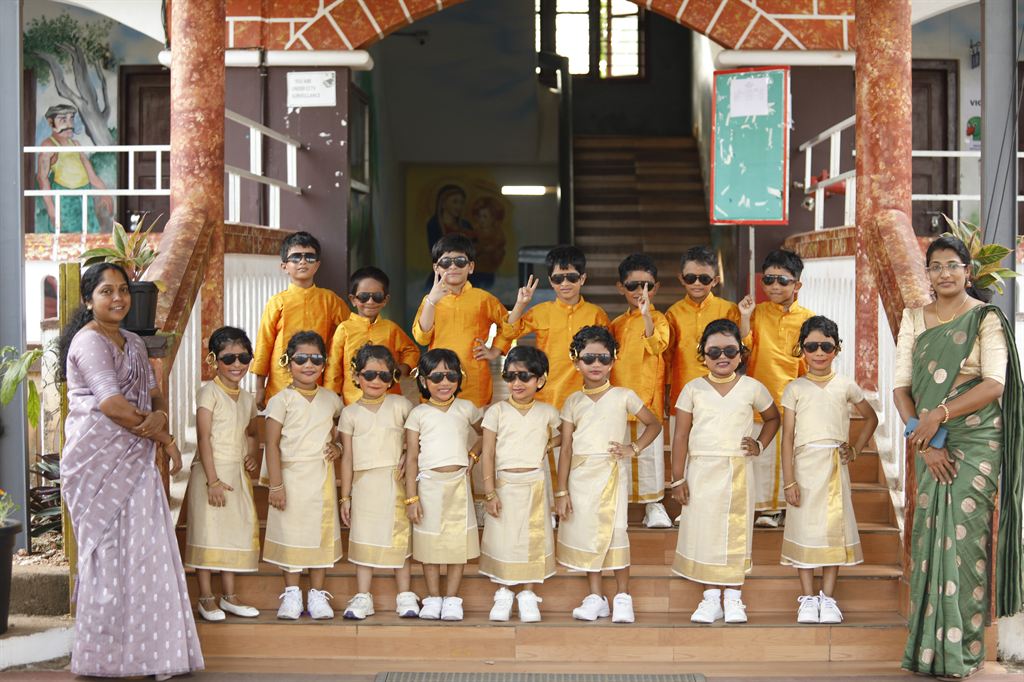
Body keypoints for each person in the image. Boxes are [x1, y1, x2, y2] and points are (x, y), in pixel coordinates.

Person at [59, 263, 202, 679]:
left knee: (146, 553)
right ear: (89, 300)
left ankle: (153, 656)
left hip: (135, 458)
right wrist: (162, 435)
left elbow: (153, 394)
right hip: (96, 463)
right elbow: (111, 404)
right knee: (107, 558)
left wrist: (161, 422)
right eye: (107, 291)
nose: (118, 298)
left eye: (123, 290)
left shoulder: (134, 343)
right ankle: (103, 660)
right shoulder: (89, 342)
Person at [895, 235, 1023, 679]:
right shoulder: (913, 318)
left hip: (976, 439)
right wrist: (927, 440)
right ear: (928, 274)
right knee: (929, 539)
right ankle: (926, 651)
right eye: (936, 266)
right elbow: (901, 388)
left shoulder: (985, 318)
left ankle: (962, 653)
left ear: (968, 271)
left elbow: (994, 383)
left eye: (953, 265)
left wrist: (940, 415)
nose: (945, 273)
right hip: (928, 441)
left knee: (966, 541)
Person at [670, 319, 780, 624]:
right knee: (704, 531)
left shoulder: (752, 387)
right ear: (703, 354)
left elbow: (773, 418)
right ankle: (710, 599)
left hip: (737, 471)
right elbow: (680, 436)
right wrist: (677, 478)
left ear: (741, 353)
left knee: (735, 531)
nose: (722, 357)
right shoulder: (692, 389)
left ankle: (733, 597)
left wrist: (759, 444)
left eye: (730, 350)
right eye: (714, 351)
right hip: (701, 471)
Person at [555, 326, 662, 624]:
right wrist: (561, 491)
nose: (596, 364)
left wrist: (633, 448)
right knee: (589, 533)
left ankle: (622, 596)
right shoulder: (572, 402)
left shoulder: (623, 396)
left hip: (611, 473)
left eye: (603, 358)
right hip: (580, 478)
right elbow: (566, 448)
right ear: (576, 361)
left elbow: (654, 424)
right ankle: (596, 597)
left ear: (613, 360)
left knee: (615, 531)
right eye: (588, 358)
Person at [780, 316, 877, 624]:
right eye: (811, 347)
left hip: (834, 467)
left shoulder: (846, 385)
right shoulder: (794, 388)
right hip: (804, 469)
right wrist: (788, 481)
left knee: (834, 529)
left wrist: (856, 449)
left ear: (837, 349)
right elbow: (787, 437)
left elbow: (871, 418)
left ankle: (828, 598)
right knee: (804, 528)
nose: (819, 353)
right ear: (802, 349)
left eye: (826, 346)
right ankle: (808, 598)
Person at [506, 245, 610, 518]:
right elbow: (510, 331)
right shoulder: (540, 311)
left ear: (583, 278)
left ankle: (583, 506)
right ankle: (552, 508)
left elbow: (606, 355)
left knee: (583, 451)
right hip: (549, 395)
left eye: (572, 277)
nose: (565, 283)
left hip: (586, 396)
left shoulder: (596, 314)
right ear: (551, 281)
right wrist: (521, 304)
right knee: (551, 454)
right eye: (558, 278)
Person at [263, 331, 344, 620]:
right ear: (288, 362)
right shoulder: (280, 401)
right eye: (301, 359)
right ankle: (292, 594)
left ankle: (317, 595)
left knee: (320, 534)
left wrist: (337, 446)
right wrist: (276, 485)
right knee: (292, 534)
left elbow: (342, 431)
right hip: (290, 479)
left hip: (320, 478)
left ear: (324, 363)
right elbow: (271, 444)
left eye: (316, 359)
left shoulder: (332, 399)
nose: (308, 365)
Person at [184, 326, 261, 622]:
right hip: (210, 473)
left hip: (236, 473)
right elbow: (204, 438)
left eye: (244, 357)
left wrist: (251, 456)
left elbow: (251, 432)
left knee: (232, 533)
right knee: (208, 531)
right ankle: (205, 597)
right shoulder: (209, 393)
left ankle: (229, 597)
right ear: (214, 360)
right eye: (229, 358)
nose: (237, 364)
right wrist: (212, 480)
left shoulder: (247, 398)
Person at [479, 346, 561, 622]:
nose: (517, 383)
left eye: (524, 376)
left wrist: (547, 444)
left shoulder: (547, 412)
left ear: (540, 379)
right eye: (510, 376)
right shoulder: (497, 411)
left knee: (532, 540)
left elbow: (566, 435)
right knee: (503, 539)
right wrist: (489, 492)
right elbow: (488, 452)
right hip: (503, 485)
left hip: (535, 484)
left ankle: (528, 595)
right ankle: (503, 592)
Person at [338, 345, 419, 620]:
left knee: (399, 538)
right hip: (363, 484)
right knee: (363, 537)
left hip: (395, 482)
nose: (376, 381)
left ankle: (404, 594)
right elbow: (347, 458)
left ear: (392, 377)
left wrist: (409, 453)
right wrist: (345, 496)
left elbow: (418, 437)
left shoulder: (401, 405)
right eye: (369, 374)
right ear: (356, 375)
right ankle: (363, 596)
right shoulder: (349, 413)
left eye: (384, 376)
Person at [404, 349, 484, 622]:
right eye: (436, 377)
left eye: (451, 376)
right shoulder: (418, 414)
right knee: (430, 546)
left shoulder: (467, 408)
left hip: (458, 485)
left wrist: (473, 455)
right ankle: (433, 597)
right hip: (428, 486)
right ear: (423, 380)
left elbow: (487, 435)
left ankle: (451, 599)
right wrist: (411, 498)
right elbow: (412, 457)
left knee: (456, 545)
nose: (444, 382)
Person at [739, 249, 815, 528]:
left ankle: (780, 508)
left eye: (782, 280)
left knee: (789, 455)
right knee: (762, 455)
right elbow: (743, 349)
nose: (774, 286)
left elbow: (810, 362)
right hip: (759, 396)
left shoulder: (808, 319)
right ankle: (765, 508)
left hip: (794, 398)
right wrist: (744, 317)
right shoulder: (757, 313)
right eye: (768, 280)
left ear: (797, 285)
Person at [412, 233, 513, 408]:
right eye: (445, 262)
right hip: (438, 377)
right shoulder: (429, 301)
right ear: (436, 268)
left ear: (470, 267)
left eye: (460, 261)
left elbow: (510, 324)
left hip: (474, 378)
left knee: (473, 423)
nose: (453, 267)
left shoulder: (483, 299)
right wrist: (431, 301)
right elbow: (422, 338)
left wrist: (495, 351)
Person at [608, 253, 672, 528]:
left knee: (650, 457)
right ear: (620, 287)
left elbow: (657, 346)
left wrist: (646, 316)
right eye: (633, 285)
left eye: (646, 285)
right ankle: (617, 504)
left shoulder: (660, 319)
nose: (640, 291)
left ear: (656, 288)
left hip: (648, 398)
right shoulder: (616, 324)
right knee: (618, 455)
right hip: (619, 398)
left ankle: (654, 505)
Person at [253, 232, 349, 411]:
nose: (303, 262)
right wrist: (259, 387)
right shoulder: (277, 302)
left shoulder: (330, 300)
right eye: (296, 257)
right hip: (281, 380)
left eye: (309, 257)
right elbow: (264, 344)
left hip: (318, 378)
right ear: (284, 266)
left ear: (317, 265)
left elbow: (349, 334)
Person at [324, 266, 419, 404]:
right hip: (354, 402)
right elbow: (333, 368)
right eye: (363, 297)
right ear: (353, 299)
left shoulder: (390, 328)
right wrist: (330, 401)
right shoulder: (344, 329)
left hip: (388, 400)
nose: (370, 301)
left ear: (385, 300)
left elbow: (411, 350)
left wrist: (400, 370)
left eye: (377, 297)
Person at [665, 245, 741, 408]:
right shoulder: (673, 313)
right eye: (691, 278)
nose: (697, 283)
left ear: (715, 281)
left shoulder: (729, 310)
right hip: (682, 393)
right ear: (681, 278)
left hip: (722, 394)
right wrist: (667, 391)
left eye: (704, 279)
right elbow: (667, 357)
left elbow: (742, 351)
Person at [36, 103, 112, 233]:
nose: (69, 124)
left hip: (85, 195)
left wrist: (105, 193)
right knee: (68, 236)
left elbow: (91, 175)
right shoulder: (49, 145)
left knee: (89, 234)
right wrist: (51, 209)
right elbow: (42, 178)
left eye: (71, 118)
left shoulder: (76, 144)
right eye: (63, 120)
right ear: (51, 122)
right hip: (65, 199)